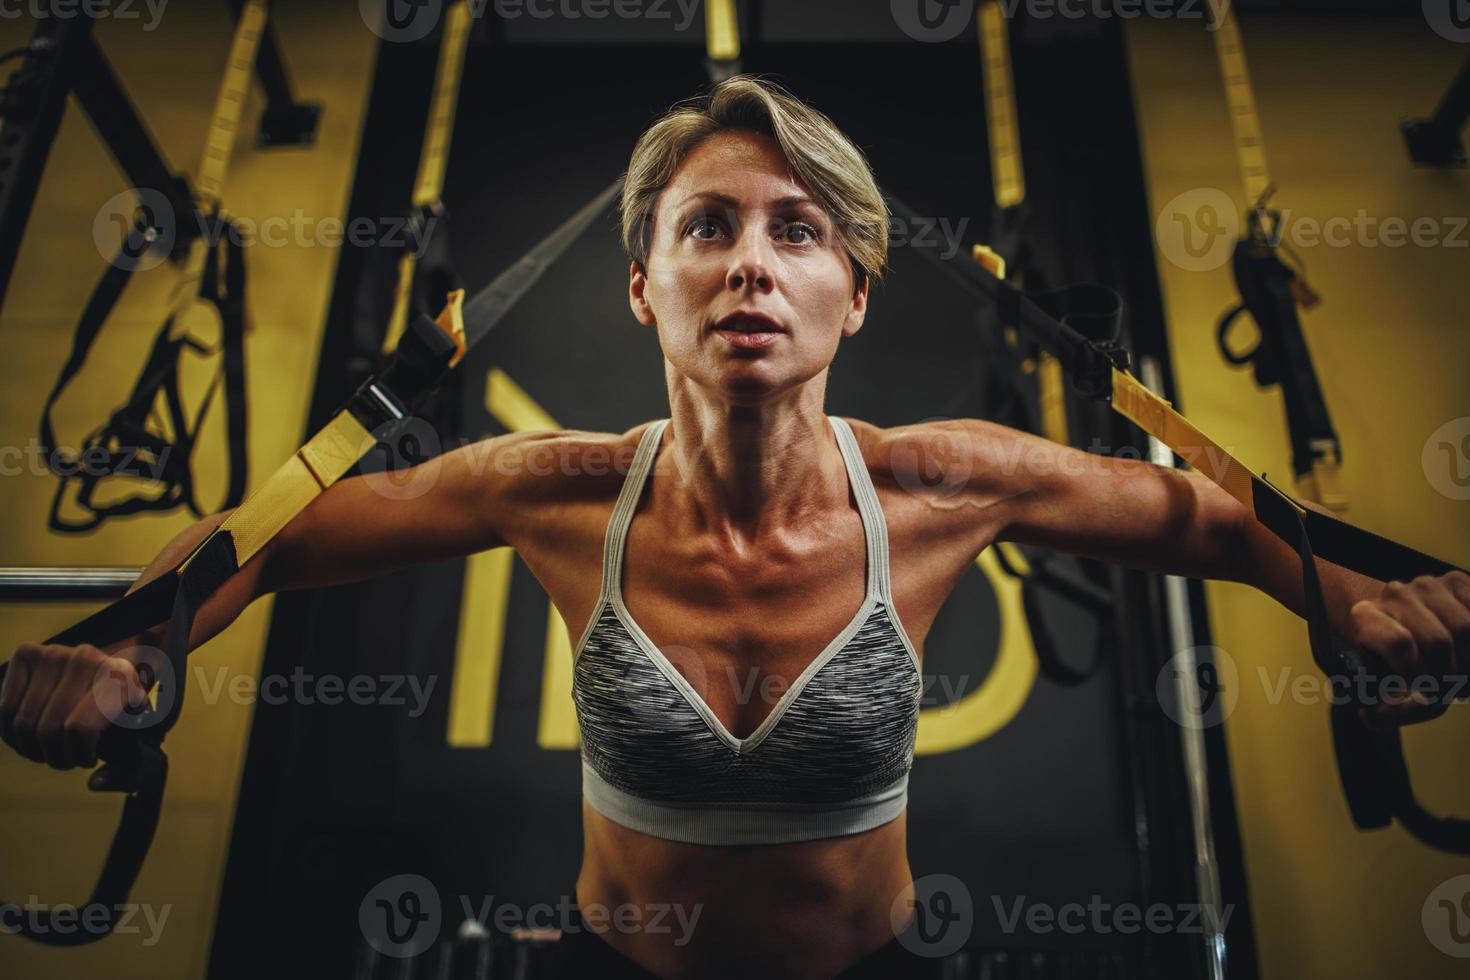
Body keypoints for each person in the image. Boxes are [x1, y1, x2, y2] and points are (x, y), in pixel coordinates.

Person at [3, 74, 1466, 980]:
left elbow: (1215, 524)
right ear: (642, 284)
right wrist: (125, 648)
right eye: (706, 226)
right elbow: (271, 534)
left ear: (855, 289)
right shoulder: (554, 484)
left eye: (796, 231)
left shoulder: (944, 480)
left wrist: (1336, 593)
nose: (749, 265)